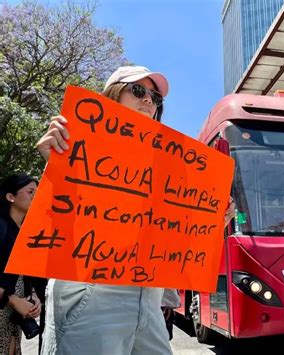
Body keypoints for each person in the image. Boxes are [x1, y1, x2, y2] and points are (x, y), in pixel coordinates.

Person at [36, 66, 173, 355]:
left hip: (148, 297)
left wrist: (212, 221)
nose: (149, 100)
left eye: (155, 97)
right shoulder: (78, 144)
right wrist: (55, 164)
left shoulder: (166, 165)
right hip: (93, 291)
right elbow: (56, 216)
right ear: (112, 96)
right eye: (138, 91)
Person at [0, 173, 42, 355]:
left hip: (16, 311)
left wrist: (33, 296)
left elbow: (26, 272)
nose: (36, 196)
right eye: (30, 191)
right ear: (11, 197)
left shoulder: (27, 231)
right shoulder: (1, 228)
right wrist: (12, 298)